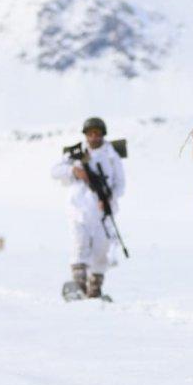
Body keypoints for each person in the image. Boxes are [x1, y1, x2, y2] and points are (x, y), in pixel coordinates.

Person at [50, 117, 126, 300]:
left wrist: (108, 197)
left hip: (102, 213)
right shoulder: (75, 153)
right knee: (79, 248)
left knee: (101, 251)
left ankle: (94, 291)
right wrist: (74, 171)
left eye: (97, 133)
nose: (94, 137)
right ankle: (78, 287)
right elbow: (54, 171)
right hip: (78, 210)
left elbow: (120, 184)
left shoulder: (111, 156)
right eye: (90, 133)